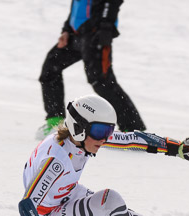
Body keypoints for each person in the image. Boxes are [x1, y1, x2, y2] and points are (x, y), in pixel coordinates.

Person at [21, 94, 189, 216]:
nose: (105, 138)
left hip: (66, 195)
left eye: (108, 130)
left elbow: (132, 140)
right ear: (78, 127)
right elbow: (27, 204)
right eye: (100, 130)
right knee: (109, 200)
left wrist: (179, 149)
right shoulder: (57, 159)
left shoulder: (82, 139)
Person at [37, 0, 145, 138]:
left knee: (101, 81)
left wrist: (105, 28)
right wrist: (66, 30)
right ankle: (55, 122)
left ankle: (133, 130)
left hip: (95, 33)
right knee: (50, 69)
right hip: (75, 34)